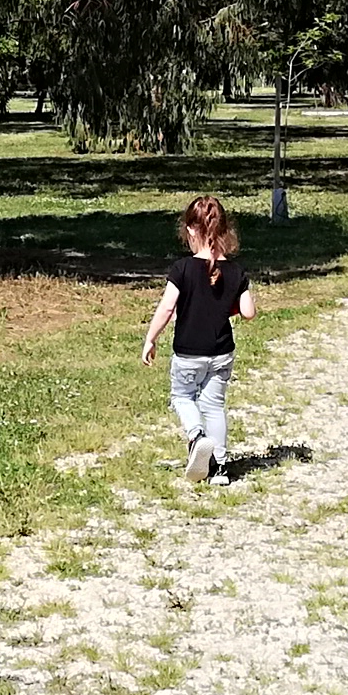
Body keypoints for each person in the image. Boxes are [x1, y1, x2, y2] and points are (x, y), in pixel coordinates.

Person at [142, 193, 257, 484]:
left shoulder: (182, 269)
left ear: (191, 230)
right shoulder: (236, 271)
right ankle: (219, 469)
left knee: (182, 397)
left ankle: (196, 436)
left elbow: (167, 307)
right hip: (221, 352)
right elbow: (248, 312)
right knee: (214, 405)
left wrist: (151, 338)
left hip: (189, 351)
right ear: (224, 231)